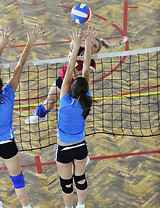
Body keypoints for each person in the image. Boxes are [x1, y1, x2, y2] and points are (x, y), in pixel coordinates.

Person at [25, 28, 127, 125]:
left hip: (76, 88)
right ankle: (41, 115)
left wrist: (66, 61)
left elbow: (79, 76)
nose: (91, 45)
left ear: (97, 52)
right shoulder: (78, 49)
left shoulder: (92, 63)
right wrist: (79, 36)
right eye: (90, 42)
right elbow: (73, 44)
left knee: (68, 110)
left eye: (95, 46)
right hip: (63, 79)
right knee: (50, 101)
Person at [0, 26, 44, 208]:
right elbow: (19, 66)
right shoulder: (8, 96)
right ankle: (26, 207)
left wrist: (1, 44)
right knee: (17, 179)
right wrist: (30, 42)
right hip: (6, 144)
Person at [55, 25, 97, 208]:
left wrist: (76, 46)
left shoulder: (64, 100)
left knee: (66, 184)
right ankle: (81, 205)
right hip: (81, 148)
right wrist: (87, 43)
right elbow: (86, 67)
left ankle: (68, 207)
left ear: (70, 88)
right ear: (86, 90)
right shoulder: (85, 103)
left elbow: (71, 67)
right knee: (80, 178)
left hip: (64, 150)